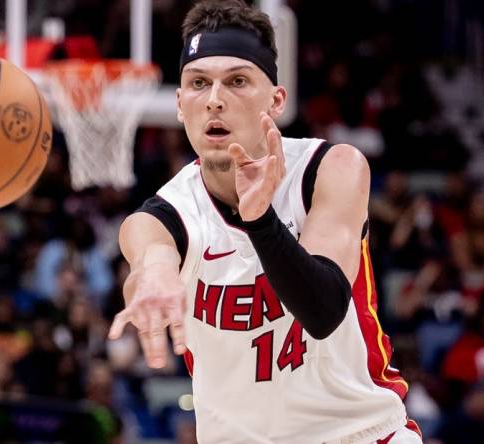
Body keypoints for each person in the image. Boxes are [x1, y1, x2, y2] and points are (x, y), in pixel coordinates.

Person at [108, 1, 420, 442]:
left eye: (237, 81)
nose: (215, 99)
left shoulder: (330, 169)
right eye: (198, 84)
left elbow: (324, 309)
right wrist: (154, 273)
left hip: (361, 434)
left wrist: (260, 220)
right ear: (179, 104)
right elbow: (148, 248)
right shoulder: (166, 212)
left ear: (276, 99)